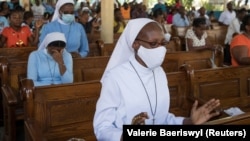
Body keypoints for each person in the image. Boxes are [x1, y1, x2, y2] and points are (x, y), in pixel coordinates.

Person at [93, 18, 220, 141]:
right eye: (153, 44)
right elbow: (102, 127)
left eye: (163, 43)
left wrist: (189, 122)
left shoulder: (159, 72)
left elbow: (162, 119)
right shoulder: (115, 77)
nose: (160, 49)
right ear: (135, 44)